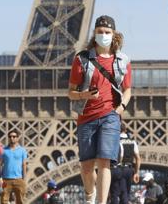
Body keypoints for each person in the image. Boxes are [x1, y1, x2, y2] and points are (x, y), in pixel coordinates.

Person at [68, 15, 132, 204]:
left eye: (107, 32)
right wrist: (84, 95)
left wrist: (121, 108)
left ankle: (102, 202)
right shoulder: (82, 60)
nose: (103, 35)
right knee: (87, 168)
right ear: (94, 34)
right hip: (87, 116)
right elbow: (71, 92)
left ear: (114, 35)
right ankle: (90, 195)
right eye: (100, 32)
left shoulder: (123, 60)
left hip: (110, 116)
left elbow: (127, 89)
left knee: (105, 162)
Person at [109, 123, 141, 204]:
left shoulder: (116, 141)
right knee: (126, 193)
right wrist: (136, 173)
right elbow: (138, 158)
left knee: (115, 193)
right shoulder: (132, 141)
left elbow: (119, 156)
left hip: (118, 168)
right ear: (125, 130)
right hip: (129, 170)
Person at [0, 130, 28, 204]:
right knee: (3, 201)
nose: (12, 138)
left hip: (18, 179)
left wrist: (24, 180)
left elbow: (24, 165)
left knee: (21, 201)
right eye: (10, 136)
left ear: (18, 138)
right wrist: (0, 179)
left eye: (14, 136)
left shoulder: (22, 150)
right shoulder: (3, 150)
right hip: (6, 179)